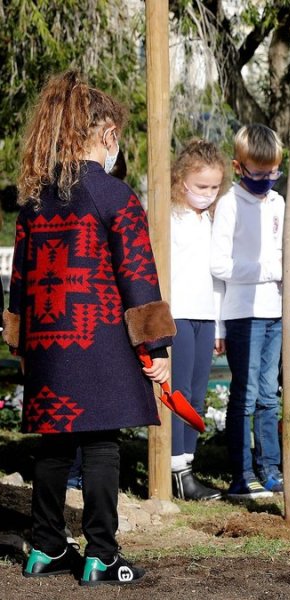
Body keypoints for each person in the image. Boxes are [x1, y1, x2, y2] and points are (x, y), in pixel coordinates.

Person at [8, 70, 173, 585]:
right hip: (98, 342)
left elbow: (19, 280)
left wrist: (20, 344)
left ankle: (45, 549)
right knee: (101, 445)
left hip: (48, 344)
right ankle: (101, 553)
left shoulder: (33, 201)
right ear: (107, 136)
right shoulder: (115, 196)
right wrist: (157, 344)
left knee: (54, 444)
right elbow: (138, 277)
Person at [210, 124, 285, 500]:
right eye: (259, 174)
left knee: (270, 394)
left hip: (276, 311)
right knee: (246, 393)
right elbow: (220, 265)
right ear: (240, 167)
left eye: (274, 172)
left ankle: (270, 466)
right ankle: (241, 473)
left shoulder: (278, 203)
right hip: (244, 313)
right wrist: (269, 271)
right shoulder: (228, 204)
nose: (268, 180)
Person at [169, 139, 228, 500]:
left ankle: (190, 462)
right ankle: (176, 468)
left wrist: (219, 325)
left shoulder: (212, 221)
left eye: (215, 187)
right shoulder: (169, 218)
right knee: (179, 395)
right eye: (201, 186)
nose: (208, 194)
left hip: (206, 315)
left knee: (198, 395)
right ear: (182, 181)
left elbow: (218, 278)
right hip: (176, 314)